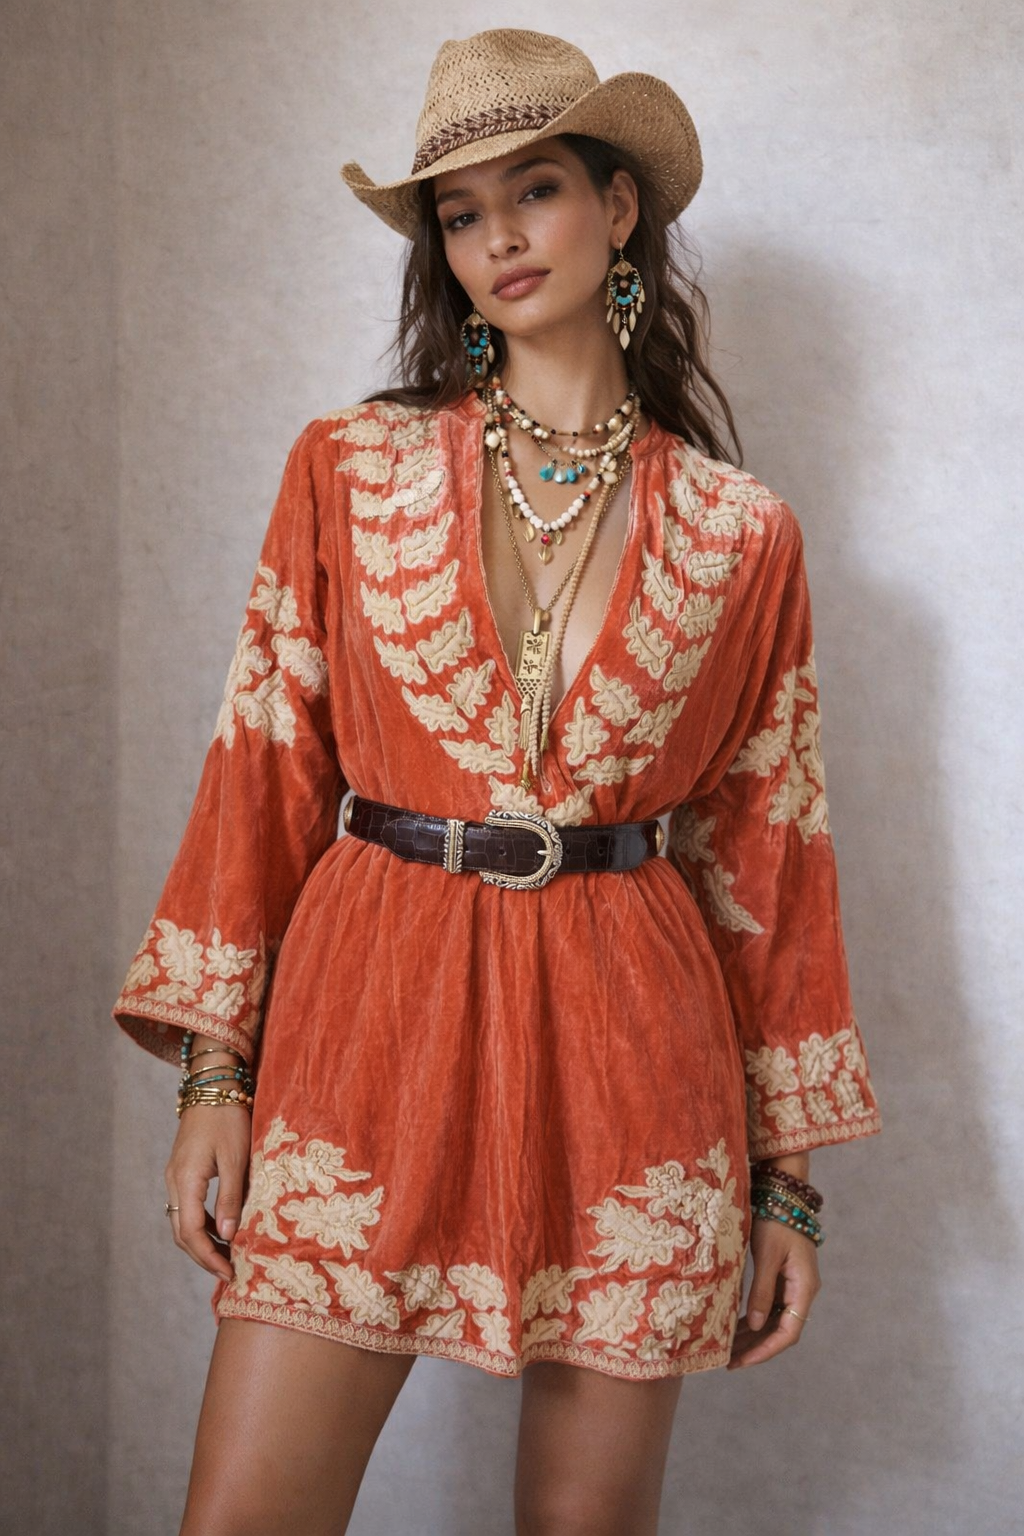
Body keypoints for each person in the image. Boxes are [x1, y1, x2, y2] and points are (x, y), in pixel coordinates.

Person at [114, 28, 881, 1536]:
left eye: (531, 191)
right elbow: (264, 754)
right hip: (370, 1011)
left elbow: (769, 848)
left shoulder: (743, 532)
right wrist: (218, 1070)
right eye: (459, 214)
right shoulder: (348, 467)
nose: (498, 238)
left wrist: (789, 1178)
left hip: (633, 1041)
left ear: (618, 209)